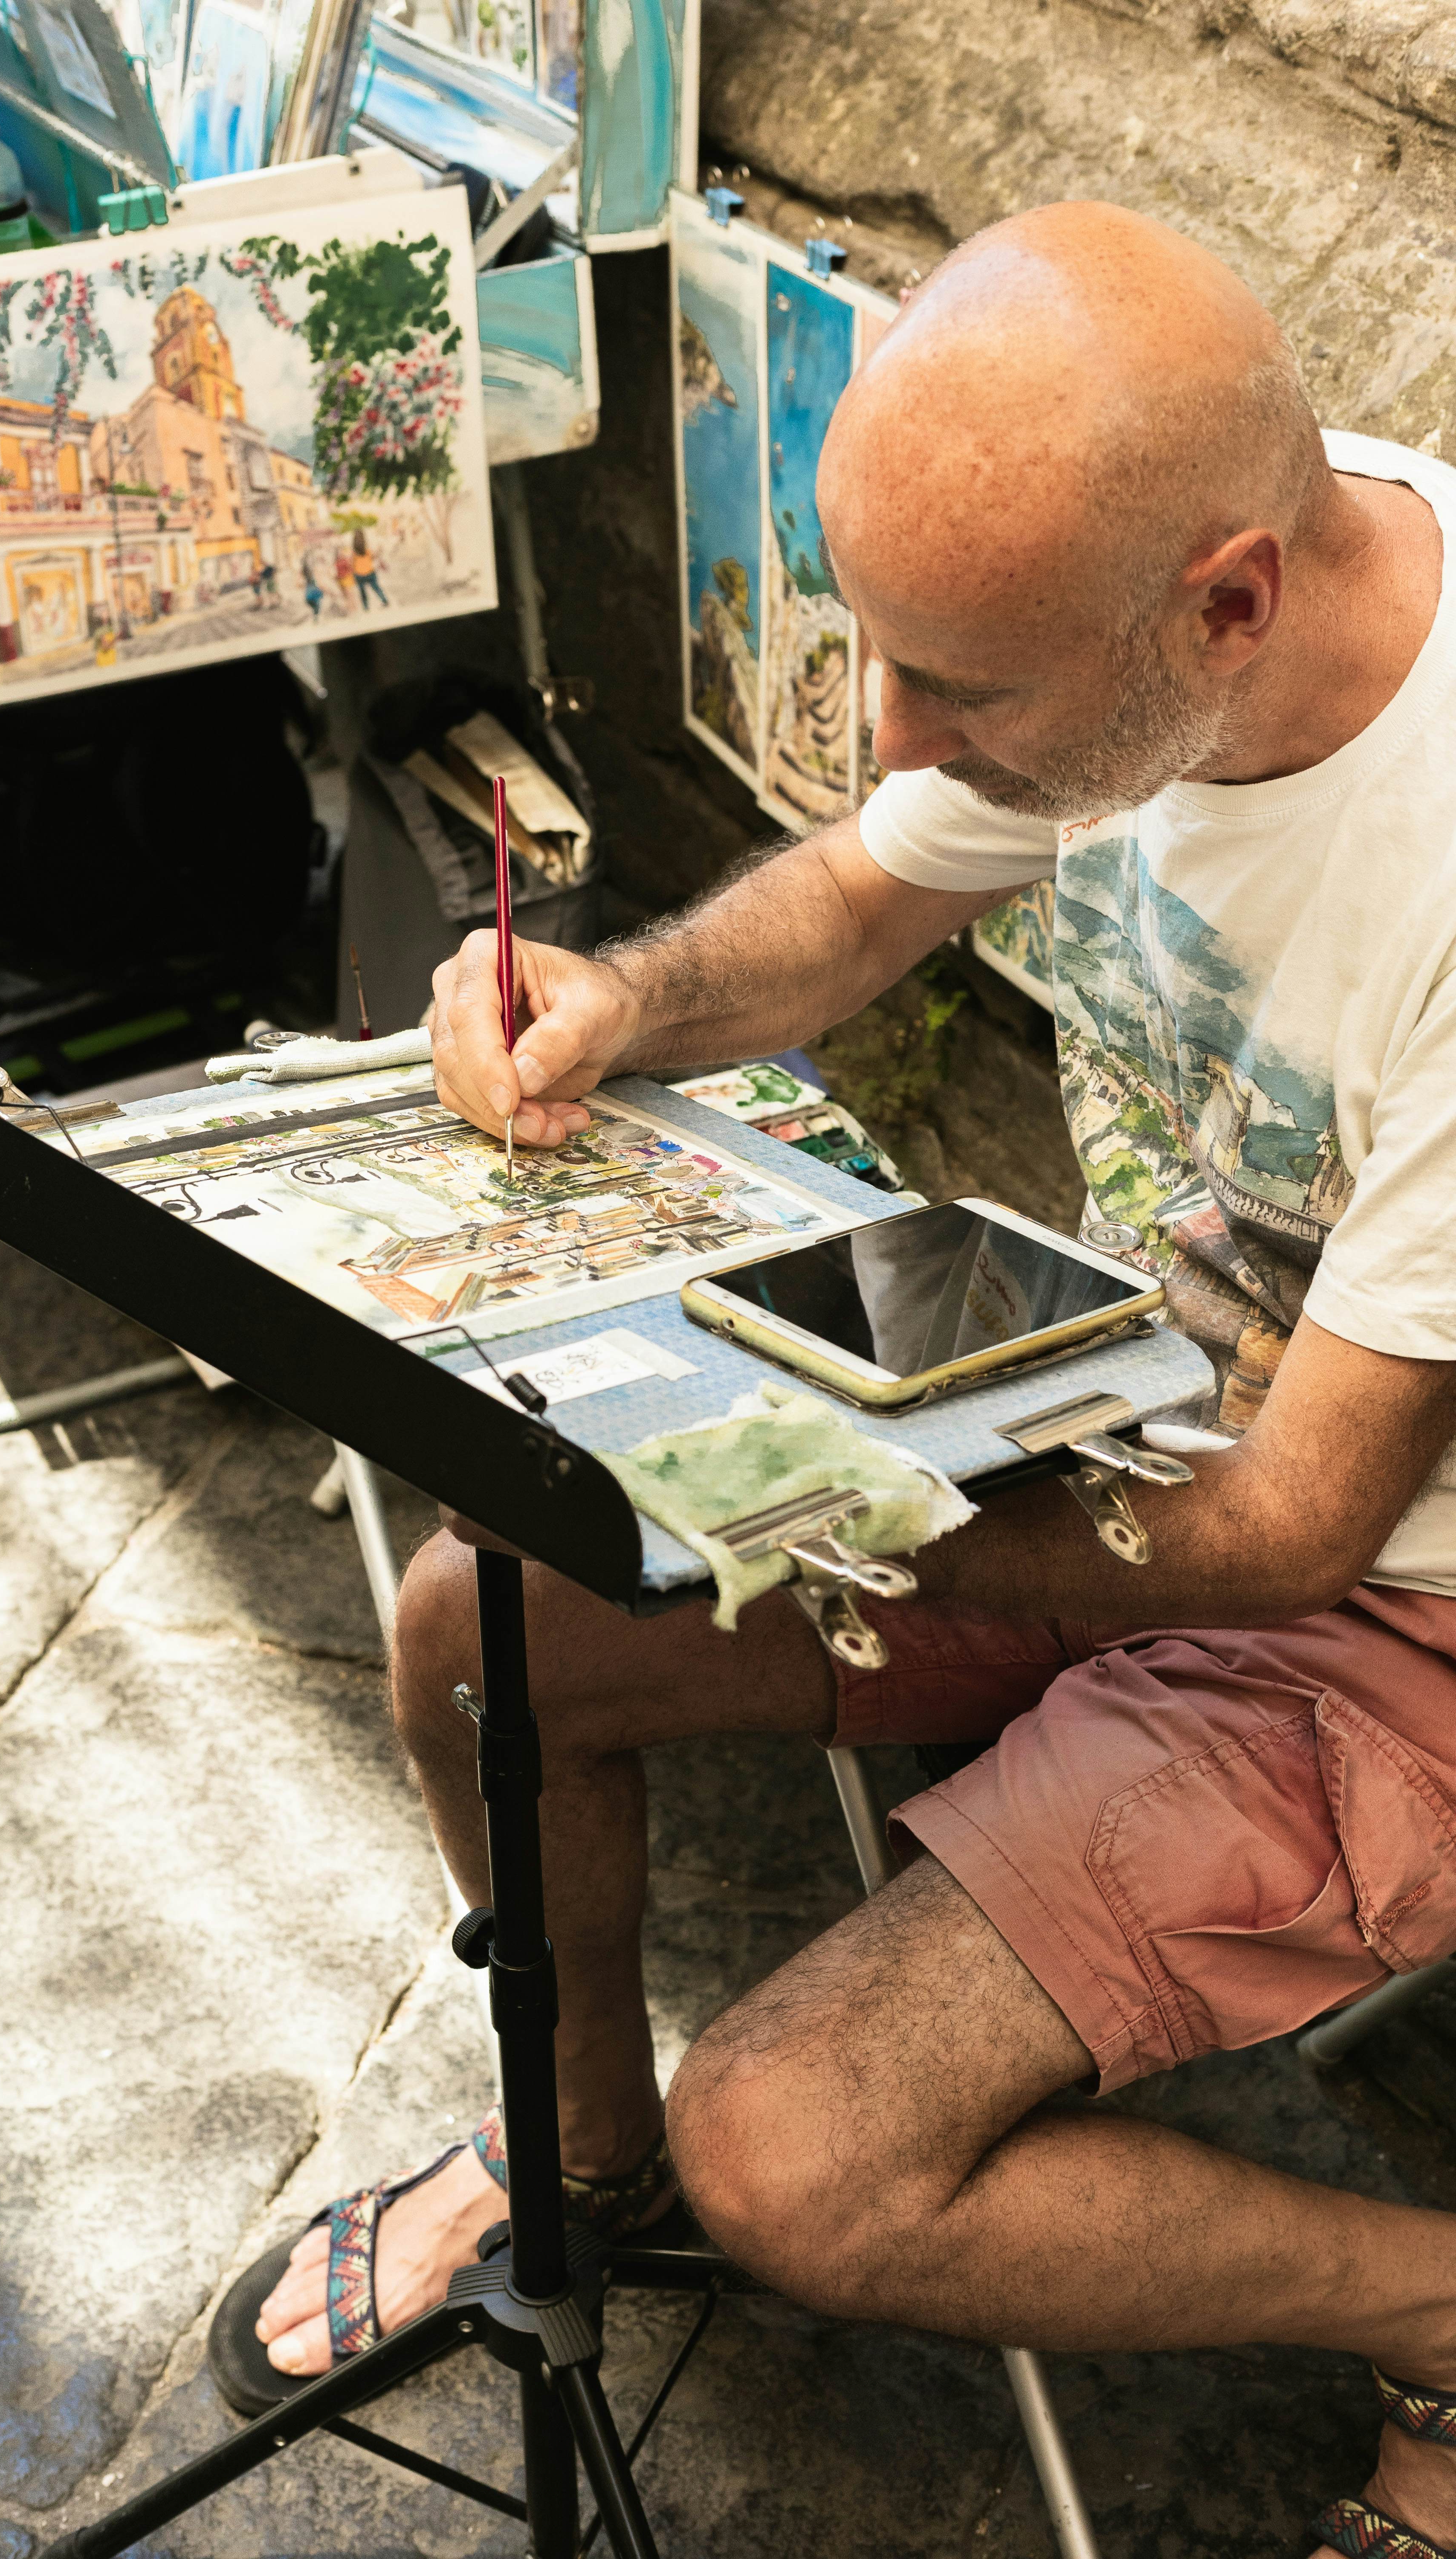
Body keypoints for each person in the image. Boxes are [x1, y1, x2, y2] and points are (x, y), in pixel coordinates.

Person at [211, 202, 1456, 2559]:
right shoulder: (1179, 594)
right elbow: (870, 891)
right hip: (1121, 1423)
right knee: (478, 1632)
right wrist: (625, 1001)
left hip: (1393, 1621)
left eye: (955, 690)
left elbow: (1299, 1527)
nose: (894, 745)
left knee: (793, 2152)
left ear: (1227, 603)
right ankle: (578, 2163)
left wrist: (809, 1495)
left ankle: (1442, 2303)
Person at [352, 525, 388, 608]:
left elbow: (352, 564)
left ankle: (366, 607)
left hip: (359, 574)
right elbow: (373, 557)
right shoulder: (367, 550)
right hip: (370, 572)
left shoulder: (354, 552)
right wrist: (380, 550)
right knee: (377, 588)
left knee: (363, 592)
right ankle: (384, 601)